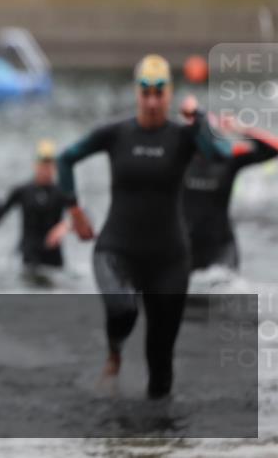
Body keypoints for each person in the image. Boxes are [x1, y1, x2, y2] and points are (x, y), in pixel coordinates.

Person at [57, 54, 230, 399]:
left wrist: (199, 119)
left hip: (169, 259)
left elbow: (222, 154)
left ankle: (157, 444)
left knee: (161, 364)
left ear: (169, 94)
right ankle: (114, 353)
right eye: (146, 92)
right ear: (137, 93)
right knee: (123, 309)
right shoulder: (116, 133)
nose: (152, 101)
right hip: (117, 249)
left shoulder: (184, 135)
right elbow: (65, 158)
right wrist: (74, 209)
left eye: (159, 92)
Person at [182, 115, 278, 271]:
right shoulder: (176, 160)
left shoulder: (229, 158)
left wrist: (241, 129)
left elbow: (274, 149)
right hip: (186, 247)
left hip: (221, 249)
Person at [0, 139, 71, 286]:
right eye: (42, 165)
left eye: (49, 165)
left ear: (55, 167)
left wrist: (65, 226)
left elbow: (81, 215)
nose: (45, 170)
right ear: (35, 165)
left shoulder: (62, 192)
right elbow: (0, 214)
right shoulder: (22, 190)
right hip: (28, 253)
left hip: (54, 255)